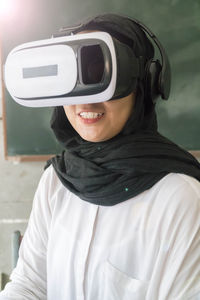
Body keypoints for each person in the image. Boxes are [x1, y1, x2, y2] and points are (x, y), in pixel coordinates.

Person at [1, 13, 200, 300]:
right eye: (76, 76)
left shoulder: (182, 200)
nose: (86, 100)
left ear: (144, 85)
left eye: (104, 76)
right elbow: (30, 284)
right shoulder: (55, 183)